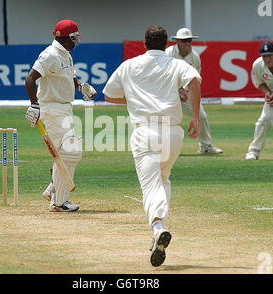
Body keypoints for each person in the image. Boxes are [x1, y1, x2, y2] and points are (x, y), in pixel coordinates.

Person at [103, 26, 202, 267]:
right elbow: (195, 82)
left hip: (145, 132)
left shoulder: (129, 65)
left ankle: (158, 227)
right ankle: (157, 230)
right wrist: (196, 118)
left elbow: (108, 95)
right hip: (172, 133)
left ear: (144, 43)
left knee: (150, 186)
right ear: (167, 42)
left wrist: (135, 98)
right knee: (163, 179)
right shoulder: (176, 63)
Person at [25, 19, 96, 212]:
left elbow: (70, 77)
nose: (77, 42)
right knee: (70, 151)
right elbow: (30, 78)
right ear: (68, 38)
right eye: (75, 38)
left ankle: (53, 190)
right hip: (52, 109)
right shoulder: (50, 55)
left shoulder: (65, 54)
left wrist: (82, 87)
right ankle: (58, 202)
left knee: (65, 153)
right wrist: (34, 105)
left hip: (64, 109)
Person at [165, 28, 222, 155]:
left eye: (189, 40)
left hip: (185, 92)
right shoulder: (168, 53)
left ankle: (205, 147)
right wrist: (177, 90)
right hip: (167, 93)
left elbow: (195, 79)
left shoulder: (195, 57)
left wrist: (184, 90)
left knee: (201, 116)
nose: (187, 43)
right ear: (177, 41)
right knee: (163, 118)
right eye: (184, 40)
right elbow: (164, 76)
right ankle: (158, 147)